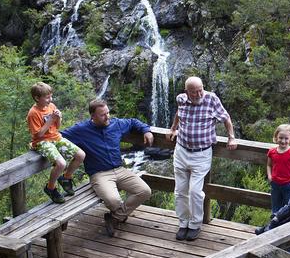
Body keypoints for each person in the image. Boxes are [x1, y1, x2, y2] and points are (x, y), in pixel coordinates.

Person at [61, 99, 153, 237]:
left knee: (145, 191)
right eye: (103, 115)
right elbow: (58, 136)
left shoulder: (116, 124)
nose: (107, 116)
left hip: (120, 169)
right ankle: (120, 215)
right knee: (114, 201)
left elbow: (133, 121)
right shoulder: (81, 130)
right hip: (99, 174)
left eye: (108, 112)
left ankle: (114, 218)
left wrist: (146, 130)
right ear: (93, 116)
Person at [167, 76, 237, 241]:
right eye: (194, 92)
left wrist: (231, 137)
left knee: (195, 192)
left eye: (201, 90)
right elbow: (179, 113)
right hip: (181, 151)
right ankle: (183, 222)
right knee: (180, 191)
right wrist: (172, 129)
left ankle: (195, 224)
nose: (199, 94)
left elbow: (226, 118)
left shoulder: (211, 99)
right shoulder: (181, 99)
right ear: (187, 92)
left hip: (202, 153)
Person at [27, 82, 85, 204]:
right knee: (61, 163)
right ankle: (50, 187)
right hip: (42, 142)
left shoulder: (51, 106)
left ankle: (66, 177)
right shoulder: (33, 113)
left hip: (56, 137)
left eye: (50, 96)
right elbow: (38, 134)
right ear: (37, 98)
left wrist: (58, 118)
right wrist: (50, 120)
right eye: (47, 97)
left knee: (81, 155)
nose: (50, 99)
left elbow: (57, 126)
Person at [266, 124, 290, 213]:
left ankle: (286, 225)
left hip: (288, 186)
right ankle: (275, 225)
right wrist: (269, 176)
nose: (283, 141)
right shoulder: (272, 151)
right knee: (275, 208)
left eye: (286, 138)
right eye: (280, 138)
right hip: (275, 184)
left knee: (288, 209)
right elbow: (268, 165)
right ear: (276, 137)